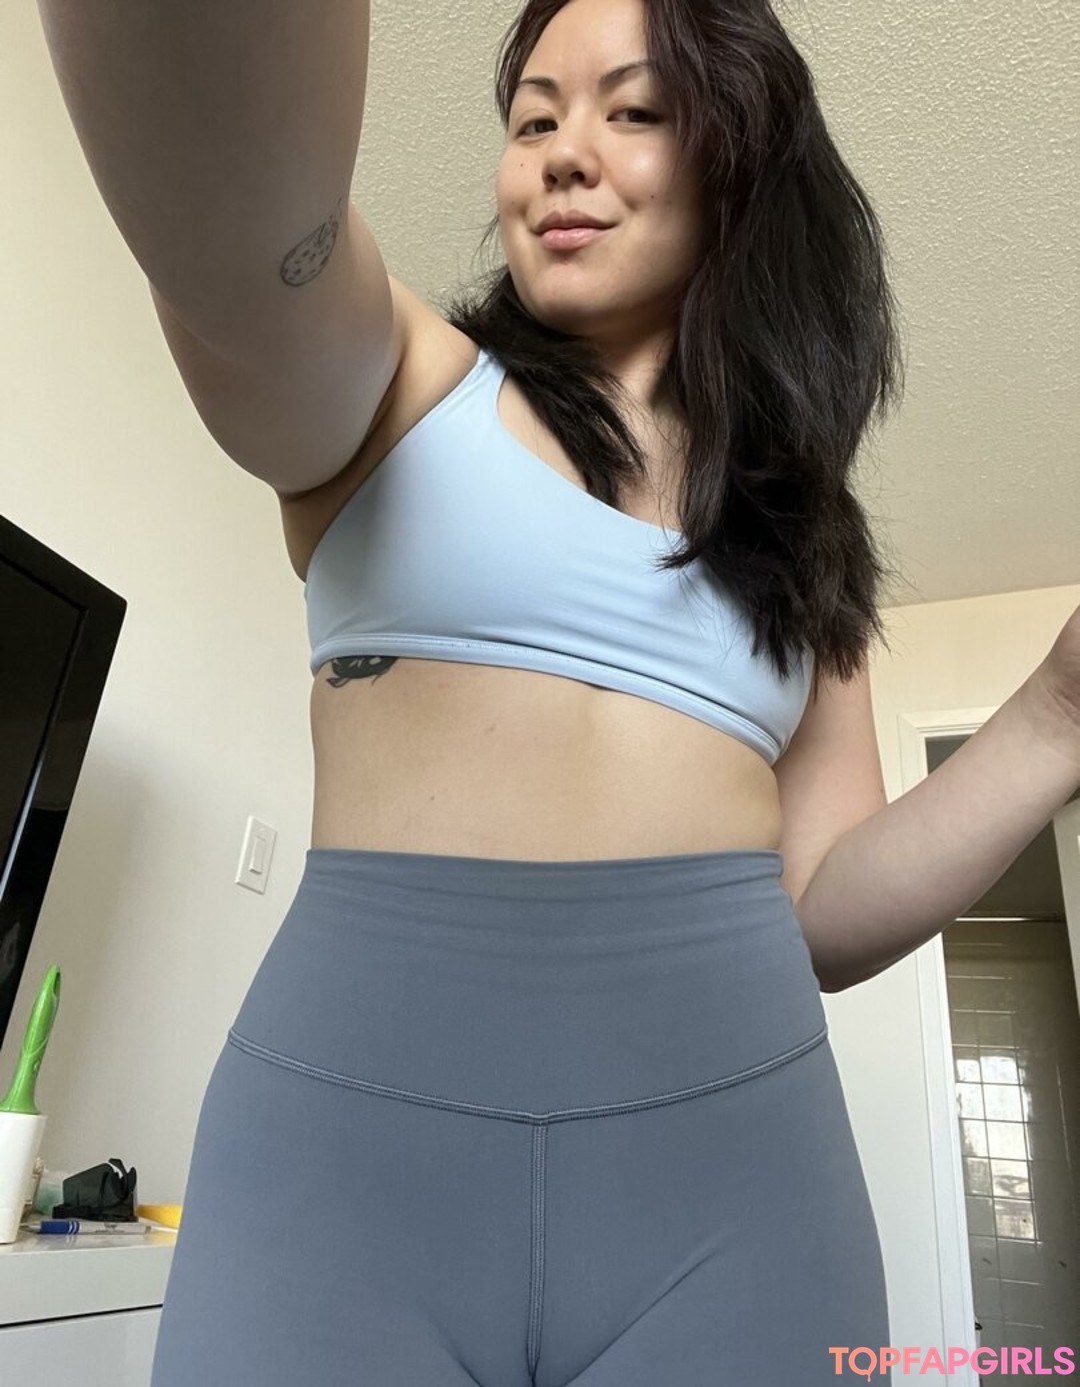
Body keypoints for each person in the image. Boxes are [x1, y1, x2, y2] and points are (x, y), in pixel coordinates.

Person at [36, 0, 1080, 1382]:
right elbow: (238, 239)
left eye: (632, 110)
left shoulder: (799, 534)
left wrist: (1060, 712)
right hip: (340, 1185)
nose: (562, 151)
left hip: (740, 1199)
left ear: (742, 165)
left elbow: (824, 908)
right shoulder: (397, 389)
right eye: (532, 116)